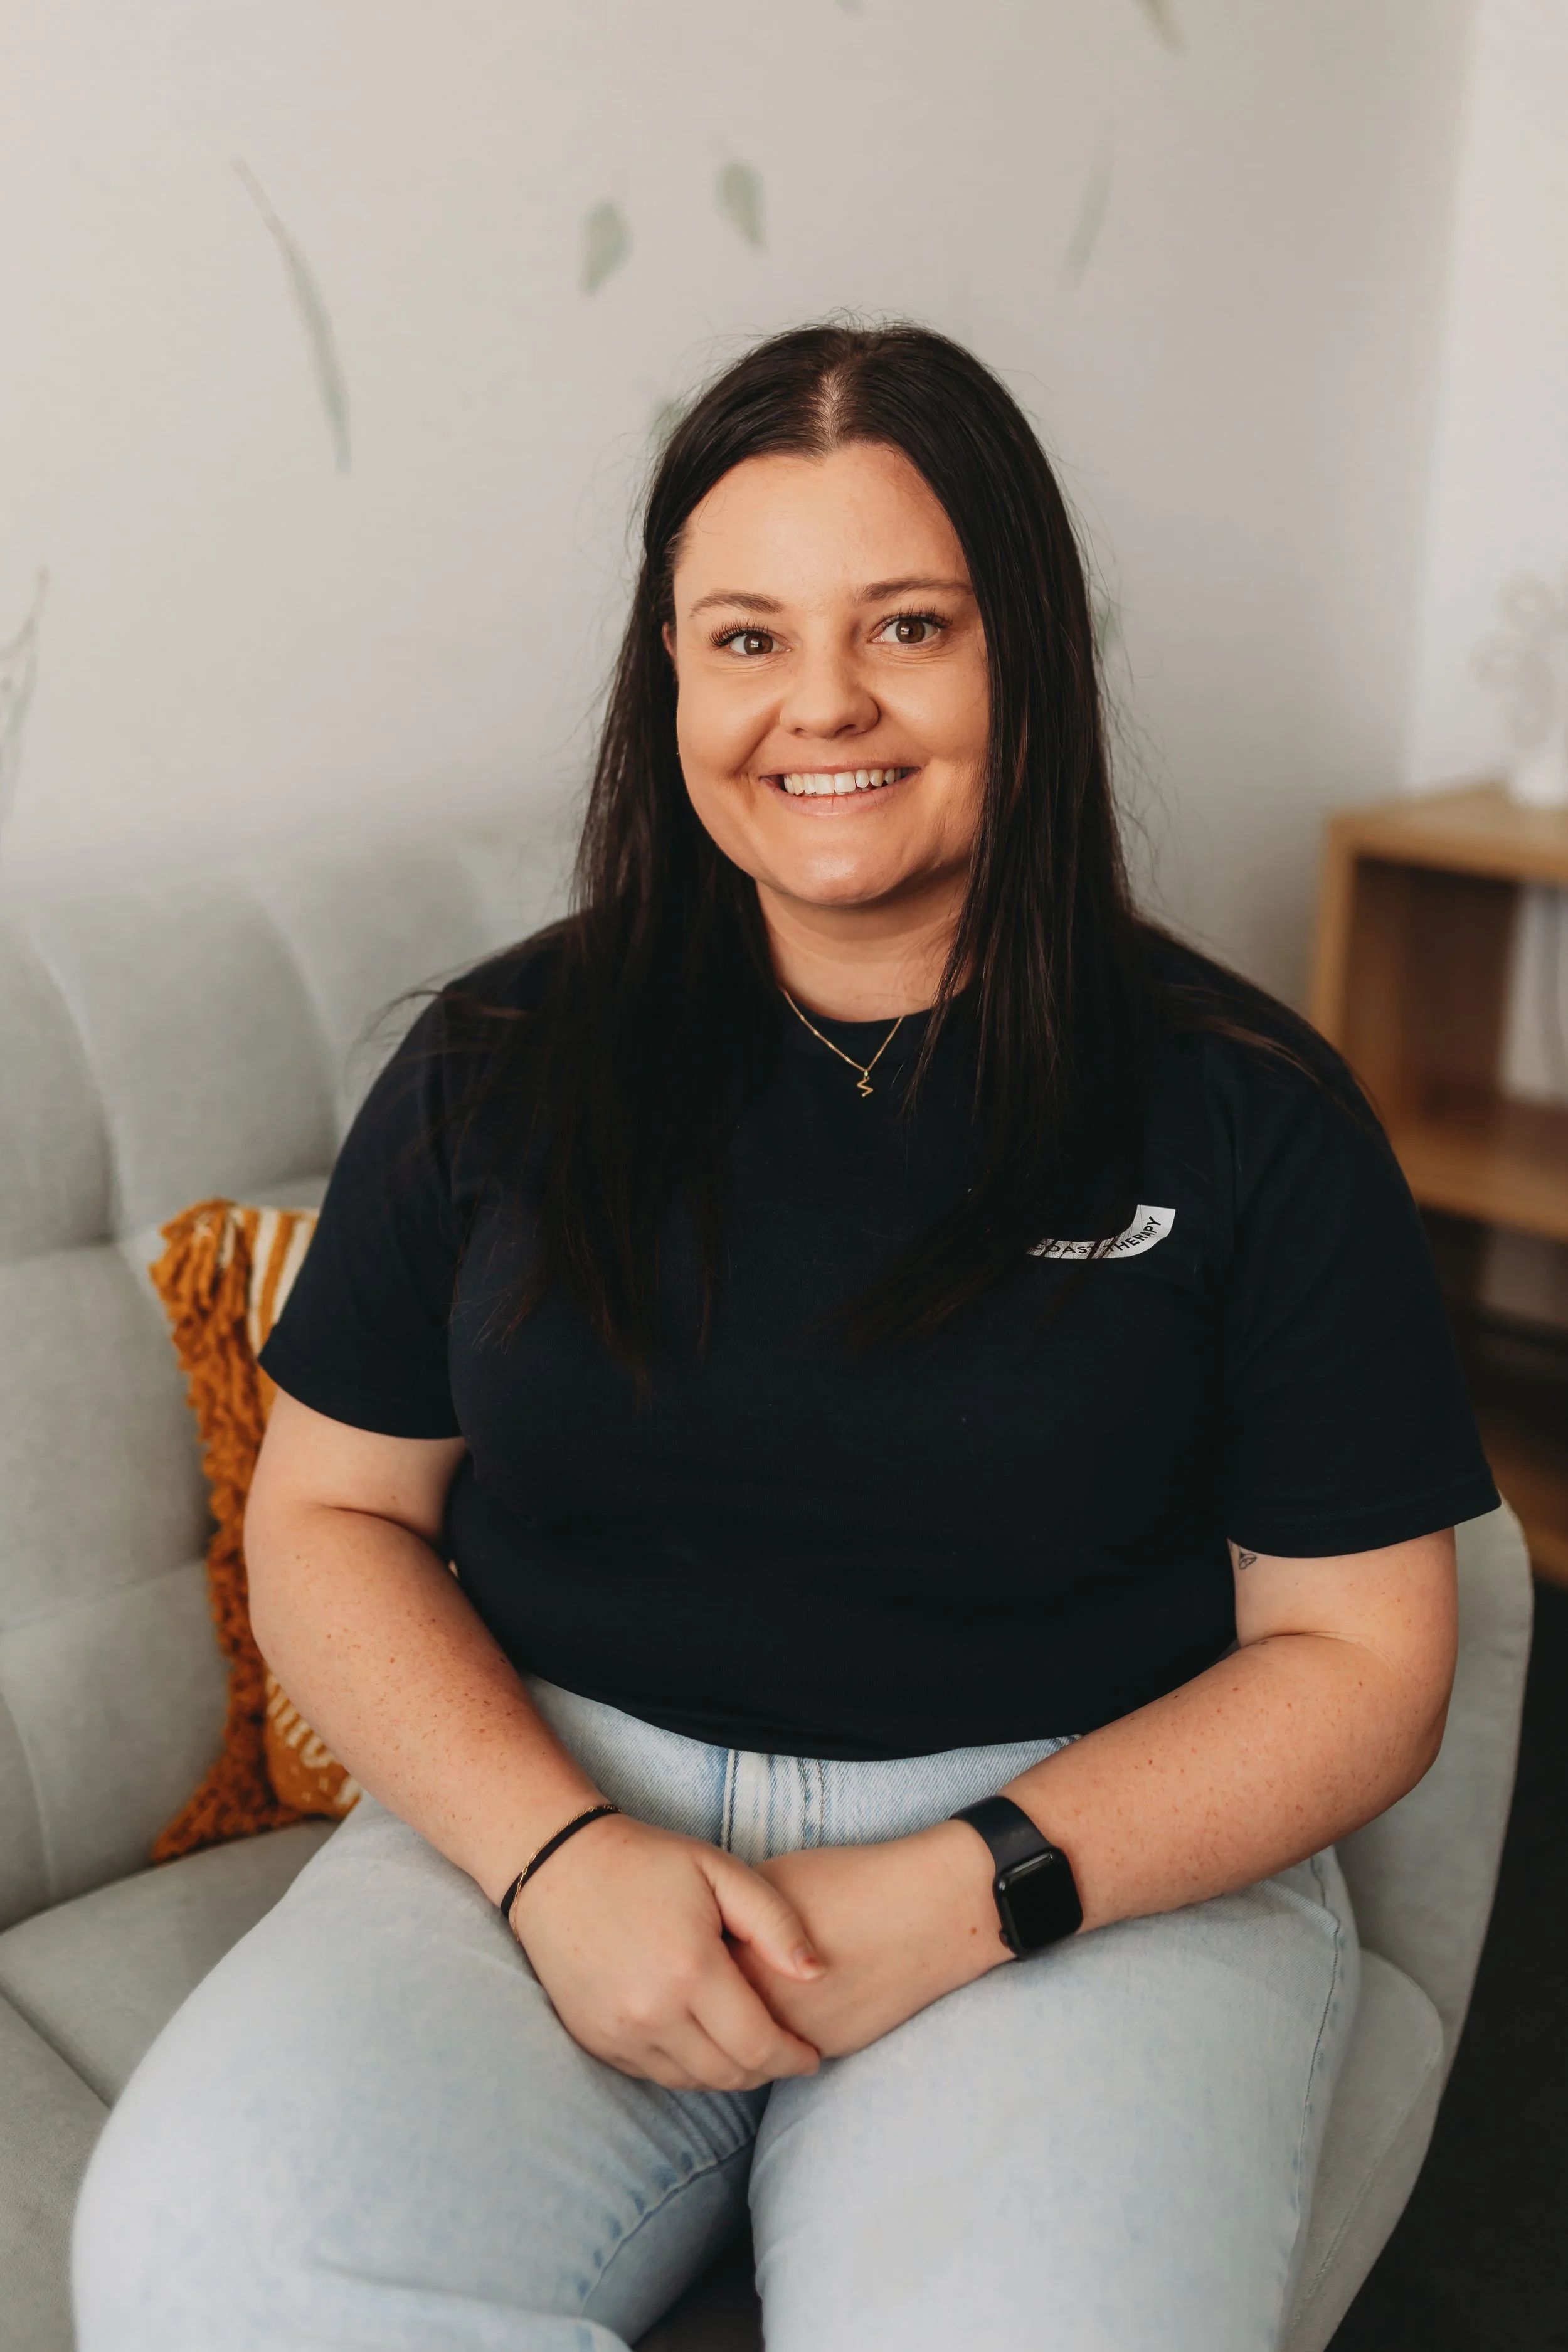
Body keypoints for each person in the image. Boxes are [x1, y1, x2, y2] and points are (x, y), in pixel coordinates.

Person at [74, 324, 1498, 2352]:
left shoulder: (1246, 1109)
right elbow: (329, 1516)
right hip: (549, 1790)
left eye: (905, 623)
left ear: (1026, 658)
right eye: (741, 638)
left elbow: (1361, 1663)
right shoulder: (495, 1066)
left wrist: (960, 1886)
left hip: (1073, 1845)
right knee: (205, 2271)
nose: (818, 702)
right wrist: (559, 1855)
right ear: (668, 676)